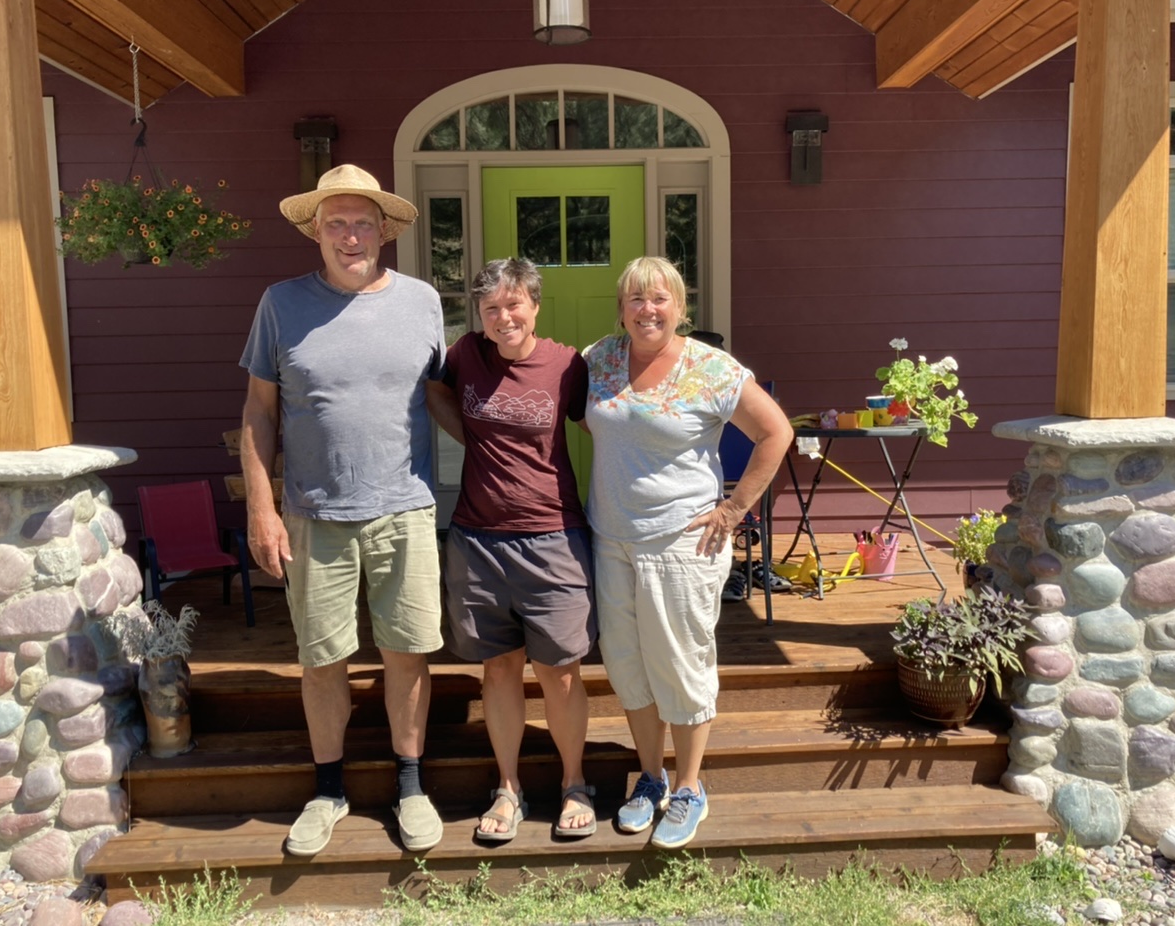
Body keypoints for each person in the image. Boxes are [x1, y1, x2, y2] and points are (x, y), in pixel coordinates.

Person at [239, 164, 446, 856]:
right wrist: (261, 509)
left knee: (407, 654)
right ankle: (328, 789)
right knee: (321, 659)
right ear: (316, 232)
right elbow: (258, 411)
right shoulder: (281, 303)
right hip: (313, 514)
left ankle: (410, 785)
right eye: (337, 223)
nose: (350, 235)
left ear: (384, 231)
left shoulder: (422, 303)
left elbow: (442, 397)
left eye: (362, 222)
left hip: (405, 509)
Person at [582, 256, 793, 850]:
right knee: (630, 666)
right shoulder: (599, 358)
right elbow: (595, 425)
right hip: (611, 540)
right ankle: (650, 779)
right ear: (621, 308)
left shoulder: (711, 369)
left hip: (682, 543)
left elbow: (777, 433)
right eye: (635, 299)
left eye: (659, 299)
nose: (647, 310)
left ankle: (689, 786)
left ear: (679, 307)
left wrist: (732, 509)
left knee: (680, 664)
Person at [426, 258, 598, 842]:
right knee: (498, 671)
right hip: (478, 541)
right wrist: (471, 437)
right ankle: (509, 788)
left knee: (561, 672)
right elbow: (432, 393)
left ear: (534, 304)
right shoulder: (464, 356)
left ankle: (574, 783)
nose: (504, 318)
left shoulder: (567, 365)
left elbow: (609, 425)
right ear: (480, 314)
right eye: (491, 308)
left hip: (554, 538)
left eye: (514, 304)